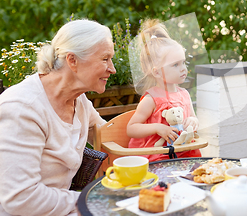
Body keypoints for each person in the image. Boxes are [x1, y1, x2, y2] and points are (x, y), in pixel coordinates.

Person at [0, 20, 115, 216]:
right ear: (72, 60)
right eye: (105, 59)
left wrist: (152, 128)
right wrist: (95, 199)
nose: (112, 69)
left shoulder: (79, 101)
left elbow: (109, 135)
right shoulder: (23, 109)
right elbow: (20, 198)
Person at [127, 19, 201, 161]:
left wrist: (192, 121)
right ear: (157, 72)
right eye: (175, 65)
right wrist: (157, 128)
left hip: (183, 153)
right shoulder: (151, 98)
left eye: (183, 62)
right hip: (157, 157)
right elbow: (131, 128)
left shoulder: (184, 94)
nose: (183, 68)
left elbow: (193, 118)